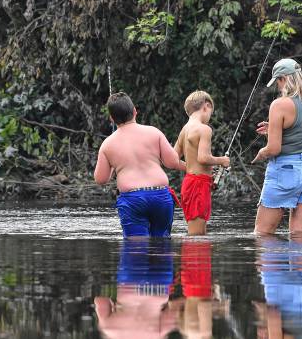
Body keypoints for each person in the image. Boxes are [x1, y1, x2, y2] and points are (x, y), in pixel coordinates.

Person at [94, 92, 185, 237]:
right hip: (160, 196)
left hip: (132, 200)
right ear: (135, 111)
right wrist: (193, 168)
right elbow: (172, 162)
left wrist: (112, 165)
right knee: (161, 247)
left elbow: (101, 179)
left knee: (136, 251)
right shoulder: (154, 132)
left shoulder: (108, 144)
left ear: (111, 118)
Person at [252, 59, 302, 236]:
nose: (278, 86)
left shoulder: (280, 104)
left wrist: (260, 154)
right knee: (300, 233)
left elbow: (274, 149)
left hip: (287, 169)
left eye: (278, 81)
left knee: (263, 233)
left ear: (284, 78)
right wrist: (276, 129)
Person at [174, 91, 230, 235]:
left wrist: (191, 168)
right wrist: (221, 160)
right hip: (198, 185)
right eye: (211, 111)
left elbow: (173, 160)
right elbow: (203, 158)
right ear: (206, 106)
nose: (209, 117)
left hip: (189, 183)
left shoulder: (184, 130)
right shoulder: (204, 129)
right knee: (196, 236)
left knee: (199, 234)